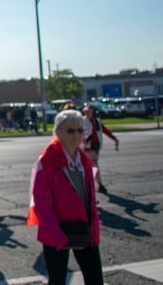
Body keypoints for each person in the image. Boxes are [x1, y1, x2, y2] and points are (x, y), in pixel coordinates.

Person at [27, 110, 103, 284]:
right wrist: (57, 236)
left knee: (95, 279)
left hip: (84, 229)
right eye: (70, 131)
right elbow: (40, 204)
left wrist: (95, 231)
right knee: (58, 280)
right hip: (57, 233)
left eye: (80, 130)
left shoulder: (84, 159)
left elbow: (90, 200)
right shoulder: (46, 161)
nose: (76, 135)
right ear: (57, 132)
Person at [82, 104, 119, 194]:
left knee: (93, 166)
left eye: (89, 111)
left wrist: (114, 138)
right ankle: (97, 185)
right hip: (87, 147)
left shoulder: (97, 121)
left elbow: (105, 130)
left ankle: (96, 185)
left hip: (95, 146)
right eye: (86, 111)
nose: (87, 113)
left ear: (93, 112)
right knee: (93, 165)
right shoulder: (82, 121)